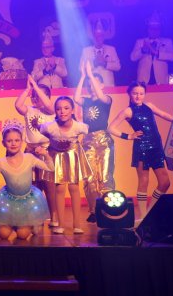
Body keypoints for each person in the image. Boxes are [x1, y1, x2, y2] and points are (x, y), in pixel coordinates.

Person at [107, 82, 173, 218]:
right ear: (129, 94)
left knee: (165, 182)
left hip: (156, 147)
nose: (138, 96)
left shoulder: (149, 106)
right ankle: (143, 216)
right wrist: (128, 136)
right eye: (135, 93)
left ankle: (150, 211)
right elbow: (111, 128)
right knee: (144, 181)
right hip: (142, 148)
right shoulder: (128, 111)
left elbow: (163, 114)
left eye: (141, 93)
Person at [0, 121, 53, 240]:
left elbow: (50, 168)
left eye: (17, 140)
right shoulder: (1, 162)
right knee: (4, 234)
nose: (13, 143)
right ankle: (16, 224)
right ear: (3, 143)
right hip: (9, 201)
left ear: (21, 141)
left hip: (27, 201)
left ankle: (29, 225)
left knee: (22, 235)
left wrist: (45, 155)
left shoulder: (29, 158)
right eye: (9, 141)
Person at [40, 97, 92, 235]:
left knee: (74, 187)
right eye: (58, 109)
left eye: (66, 108)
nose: (62, 111)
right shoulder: (49, 127)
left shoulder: (79, 127)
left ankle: (77, 224)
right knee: (60, 188)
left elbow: (86, 131)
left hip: (72, 156)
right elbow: (42, 132)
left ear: (72, 110)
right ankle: (60, 224)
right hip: (57, 156)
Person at [73, 61, 115, 223]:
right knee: (89, 178)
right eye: (89, 85)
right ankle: (93, 210)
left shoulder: (106, 100)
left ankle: (108, 209)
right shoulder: (86, 101)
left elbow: (101, 95)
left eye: (95, 84)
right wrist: (83, 76)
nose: (91, 87)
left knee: (104, 176)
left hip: (104, 140)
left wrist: (91, 74)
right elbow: (76, 98)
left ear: (102, 85)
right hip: (88, 140)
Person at [14, 74, 57, 226]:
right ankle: (36, 217)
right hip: (30, 151)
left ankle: (54, 217)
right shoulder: (29, 110)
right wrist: (28, 90)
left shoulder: (51, 111)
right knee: (33, 185)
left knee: (49, 186)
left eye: (38, 96)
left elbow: (49, 104)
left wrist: (37, 87)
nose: (35, 98)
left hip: (45, 151)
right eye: (34, 96)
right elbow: (18, 105)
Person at [130, 11, 173, 85]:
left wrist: (157, 53)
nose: (154, 31)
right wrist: (142, 50)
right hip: (143, 79)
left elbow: (172, 56)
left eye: (156, 29)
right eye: (151, 29)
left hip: (161, 79)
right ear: (148, 30)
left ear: (160, 30)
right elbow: (132, 57)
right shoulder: (140, 42)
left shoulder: (167, 42)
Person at [79, 20, 121, 87]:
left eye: (100, 36)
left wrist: (105, 64)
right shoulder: (86, 51)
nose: (98, 38)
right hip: (92, 85)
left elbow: (118, 66)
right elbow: (81, 68)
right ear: (93, 37)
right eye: (96, 36)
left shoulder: (111, 49)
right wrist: (94, 63)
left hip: (108, 85)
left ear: (103, 37)